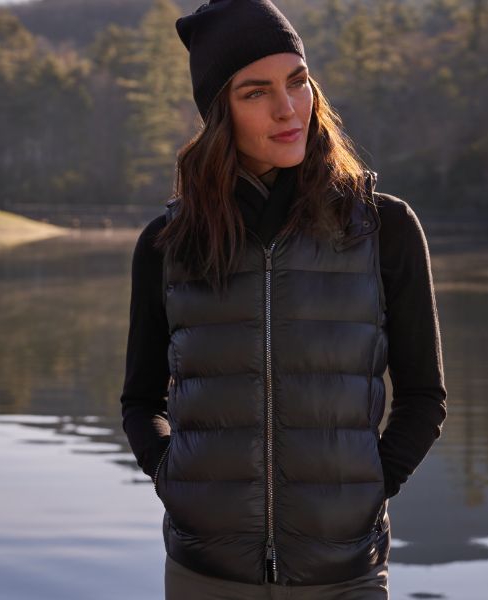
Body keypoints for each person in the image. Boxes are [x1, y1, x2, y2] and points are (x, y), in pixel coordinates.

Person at [120, 1, 448, 598]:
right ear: (219, 113)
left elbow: (424, 398)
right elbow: (141, 402)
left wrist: (368, 492)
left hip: (345, 576)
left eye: (297, 81)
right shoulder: (169, 244)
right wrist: (177, 483)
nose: (287, 108)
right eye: (255, 92)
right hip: (205, 576)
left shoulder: (384, 229)